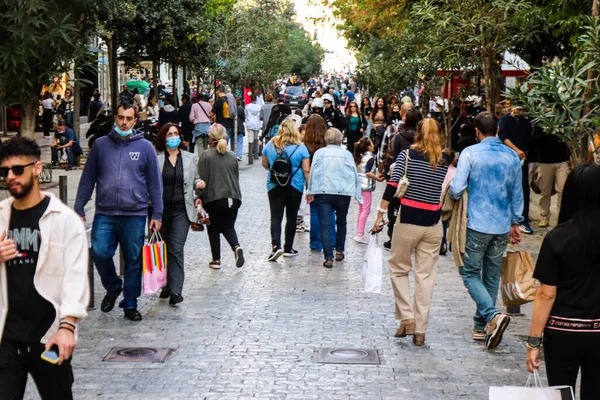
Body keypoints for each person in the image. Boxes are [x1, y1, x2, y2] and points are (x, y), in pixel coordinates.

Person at [0, 137, 89, 399]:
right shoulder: (1, 215)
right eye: (4, 171)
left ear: (37, 168)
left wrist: (68, 326)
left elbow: (75, 278)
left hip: (49, 337)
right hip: (6, 338)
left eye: (18, 170)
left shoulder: (65, 221)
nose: (10, 177)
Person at [75, 103, 163, 322]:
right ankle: (114, 286)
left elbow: (155, 183)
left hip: (135, 213)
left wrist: (157, 214)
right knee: (100, 252)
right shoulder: (100, 146)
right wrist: (78, 206)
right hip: (105, 212)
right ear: (115, 117)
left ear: (135, 121)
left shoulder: (145, 148)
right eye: (121, 117)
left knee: (133, 259)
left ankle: (130, 303)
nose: (124, 122)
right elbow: (88, 178)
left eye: (129, 118)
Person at [372, 118, 449, 346]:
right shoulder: (444, 159)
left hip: (408, 220)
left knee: (399, 269)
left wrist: (380, 213)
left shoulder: (407, 156)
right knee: (425, 276)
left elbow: (393, 186)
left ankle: (407, 317)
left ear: (418, 134)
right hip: (433, 224)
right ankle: (420, 330)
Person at [525, 164, 600, 400]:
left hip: (562, 331)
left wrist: (534, 342)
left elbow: (546, 294)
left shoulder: (557, 237)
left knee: (561, 393)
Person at [449, 111, 523, 349]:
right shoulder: (512, 157)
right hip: (501, 224)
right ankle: (481, 327)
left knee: (469, 272)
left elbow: (457, 188)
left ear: (477, 132)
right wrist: (515, 222)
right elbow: (517, 193)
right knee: (491, 275)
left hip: (476, 223)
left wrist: (455, 193)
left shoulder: (470, 153)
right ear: (498, 130)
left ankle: (491, 315)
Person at [155, 123, 203, 306]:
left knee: (175, 248)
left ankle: (176, 291)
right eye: (169, 134)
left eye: (176, 133)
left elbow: (196, 179)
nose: (173, 137)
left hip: (181, 210)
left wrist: (200, 186)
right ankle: (165, 284)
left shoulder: (190, 158)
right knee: (162, 248)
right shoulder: (155, 158)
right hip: (159, 211)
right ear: (163, 137)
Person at [306, 128, 362, 268]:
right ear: (340, 139)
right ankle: (339, 250)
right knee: (341, 222)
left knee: (325, 224)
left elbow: (313, 172)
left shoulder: (319, 153)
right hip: (342, 192)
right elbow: (354, 173)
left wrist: (310, 190)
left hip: (323, 191)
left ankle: (328, 257)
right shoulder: (346, 154)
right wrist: (357, 193)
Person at [262, 119, 310, 261]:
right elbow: (306, 170)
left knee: (276, 217)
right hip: (295, 185)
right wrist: (310, 189)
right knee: (292, 216)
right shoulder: (301, 148)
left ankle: (275, 246)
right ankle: (288, 247)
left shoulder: (270, 144)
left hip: (274, 184)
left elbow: (265, 165)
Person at [197, 124, 244, 269]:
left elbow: (202, 180)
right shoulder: (232, 156)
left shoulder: (206, 155)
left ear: (211, 137)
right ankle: (235, 247)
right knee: (228, 226)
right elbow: (236, 177)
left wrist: (198, 197)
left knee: (214, 227)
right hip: (233, 198)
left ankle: (216, 259)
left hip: (215, 197)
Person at [498, 105, 533, 234]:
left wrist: (524, 152)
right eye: (520, 109)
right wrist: (516, 150)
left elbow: (529, 139)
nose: (522, 112)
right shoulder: (505, 120)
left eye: (524, 109)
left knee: (523, 187)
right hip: (506, 156)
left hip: (522, 159)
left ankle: (523, 219)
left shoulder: (526, 122)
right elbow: (502, 136)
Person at [303, 114, 335, 251]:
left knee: (315, 212)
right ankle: (332, 241)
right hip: (328, 180)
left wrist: (309, 187)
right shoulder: (327, 144)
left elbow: (306, 169)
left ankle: (316, 243)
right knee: (330, 212)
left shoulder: (305, 145)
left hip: (312, 181)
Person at [528, 126, 570, 228]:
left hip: (562, 160)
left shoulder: (563, 117)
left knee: (562, 190)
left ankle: (562, 217)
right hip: (545, 160)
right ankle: (545, 217)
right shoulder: (540, 121)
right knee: (545, 191)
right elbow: (534, 138)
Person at [353, 137, 383, 244]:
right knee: (365, 210)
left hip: (359, 186)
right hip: (366, 187)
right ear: (369, 147)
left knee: (361, 210)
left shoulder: (360, 157)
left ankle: (359, 232)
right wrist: (378, 179)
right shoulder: (371, 157)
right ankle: (360, 234)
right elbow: (368, 172)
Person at [440, 148, 457, 255]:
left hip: (439, 199)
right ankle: (452, 243)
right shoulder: (457, 171)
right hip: (451, 199)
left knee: (442, 222)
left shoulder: (439, 170)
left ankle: (442, 243)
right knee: (451, 221)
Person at [245, 93, 263, 161]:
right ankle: (256, 155)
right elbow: (261, 116)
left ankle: (250, 155)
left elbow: (245, 115)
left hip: (249, 124)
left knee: (250, 139)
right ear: (256, 99)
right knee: (256, 138)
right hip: (257, 124)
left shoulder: (247, 106)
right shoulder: (259, 107)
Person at [232, 97, 245, 161]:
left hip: (232, 126)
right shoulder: (240, 108)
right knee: (240, 141)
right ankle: (238, 155)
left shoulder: (231, 108)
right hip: (240, 127)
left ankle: (233, 154)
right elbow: (243, 118)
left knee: (233, 141)